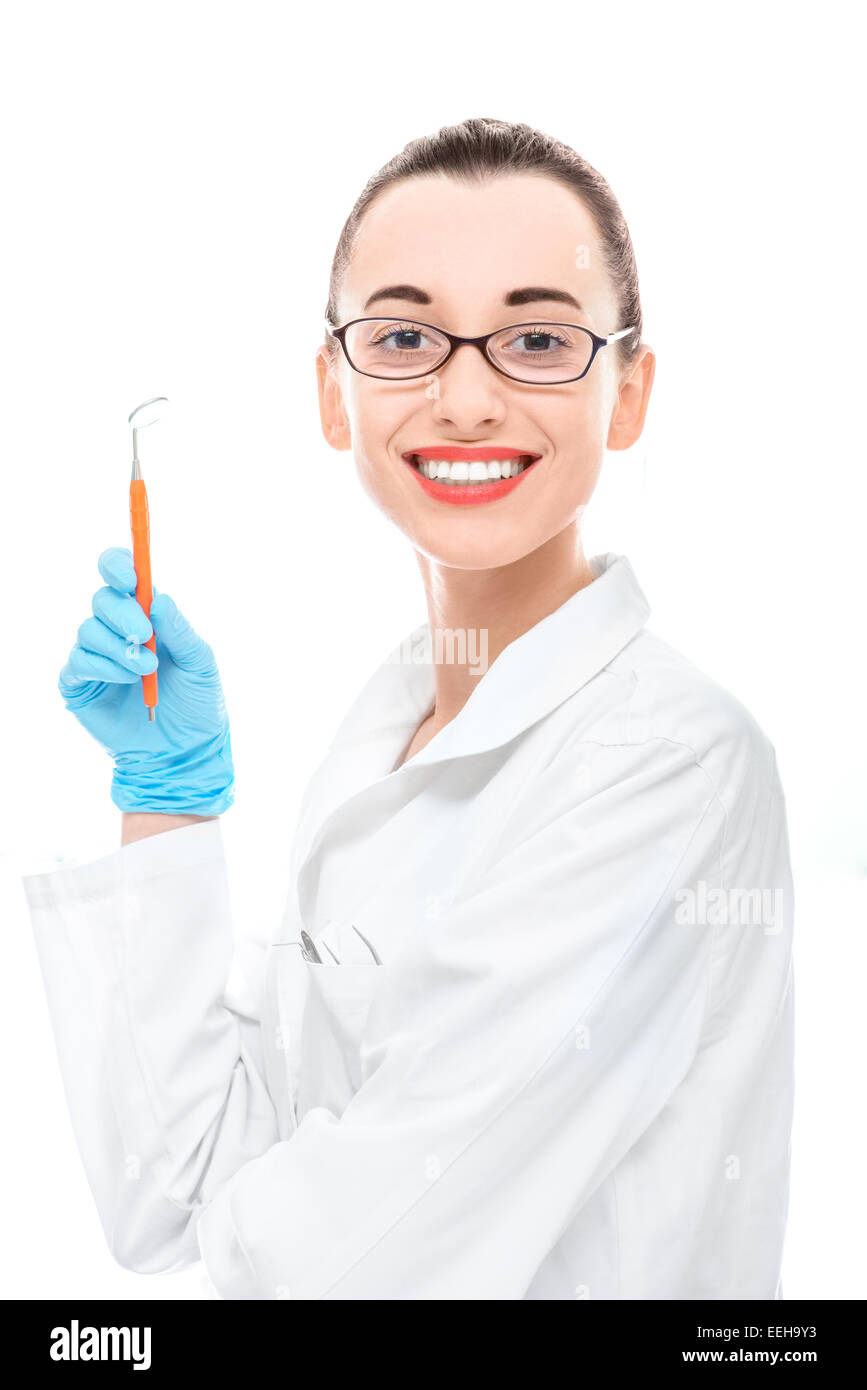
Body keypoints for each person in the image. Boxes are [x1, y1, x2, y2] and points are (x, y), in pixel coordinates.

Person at [23, 116, 794, 1300]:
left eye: (537, 338)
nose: (469, 398)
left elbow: (345, 1270)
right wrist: (164, 806)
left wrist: (263, 1206)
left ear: (628, 393)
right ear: (333, 394)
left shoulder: (673, 760)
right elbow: (168, 1192)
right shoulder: (384, 736)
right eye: (403, 336)